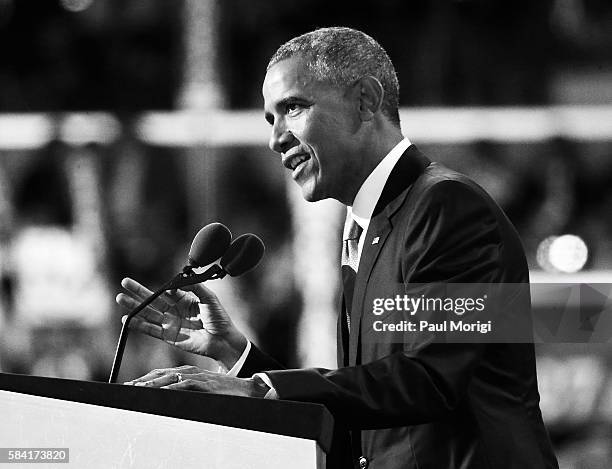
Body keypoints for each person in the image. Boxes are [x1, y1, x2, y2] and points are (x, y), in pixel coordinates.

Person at [116, 27, 558, 469]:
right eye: (271, 119)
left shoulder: (446, 207)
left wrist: (259, 387)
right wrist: (238, 356)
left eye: (292, 108)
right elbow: (369, 406)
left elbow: (431, 379)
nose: (276, 139)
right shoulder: (368, 227)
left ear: (365, 101)